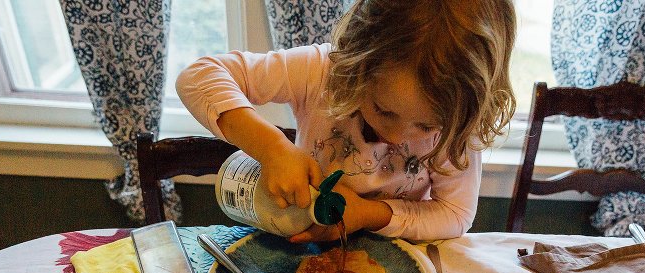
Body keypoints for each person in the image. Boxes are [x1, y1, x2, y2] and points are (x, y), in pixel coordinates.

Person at [176, 0, 516, 242]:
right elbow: (199, 76)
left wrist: (366, 214)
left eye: (426, 127)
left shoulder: (459, 119)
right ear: (355, 64)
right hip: (300, 240)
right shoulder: (321, 72)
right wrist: (271, 147)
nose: (397, 136)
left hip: (403, 263)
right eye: (384, 110)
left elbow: (456, 215)